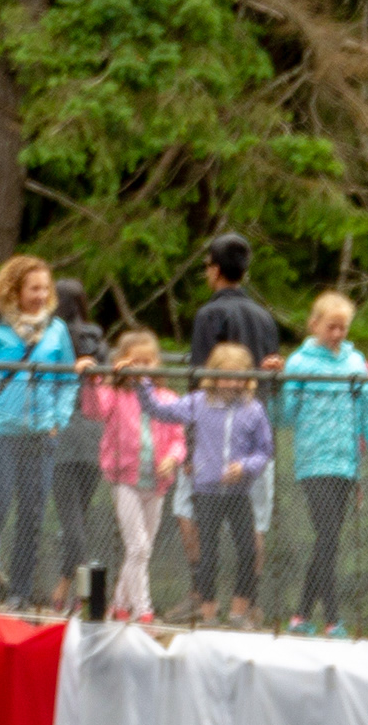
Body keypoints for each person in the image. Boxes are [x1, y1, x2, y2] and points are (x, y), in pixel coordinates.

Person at [276, 290, 368, 636]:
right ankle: (330, 619)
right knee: (327, 534)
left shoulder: (355, 363)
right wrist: (277, 386)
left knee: (327, 539)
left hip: (346, 463)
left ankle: (305, 617)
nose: (337, 334)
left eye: (343, 328)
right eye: (331, 327)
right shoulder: (300, 363)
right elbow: (284, 415)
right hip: (313, 461)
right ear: (314, 324)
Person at [0, 253, 76, 613]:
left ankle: (19, 595)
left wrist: (58, 418)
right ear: (15, 289)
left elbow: (68, 378)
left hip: (41, 433)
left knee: (32, 514)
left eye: (45, 288)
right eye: (33, 288)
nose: (41, 295)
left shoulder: (56, 330)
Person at [177, 233, 283, 614]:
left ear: (215, 269)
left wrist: (189, 446)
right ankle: (246, 605)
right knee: (253, 525)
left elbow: (200, 382)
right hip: (255, 434)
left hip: (212, 440)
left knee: (193, 516)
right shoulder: (264, 317)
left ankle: (203, 598)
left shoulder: (210, 315)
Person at [149, 342, 271, 627]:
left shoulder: (253, 409)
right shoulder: (197, 402)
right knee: (207, 553)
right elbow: (159, 409)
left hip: (238, 492)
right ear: (213, 375)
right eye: (225, 375)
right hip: (206, 491)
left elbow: (264, 451)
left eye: (238, 375)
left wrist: (245, 467)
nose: (232, 382)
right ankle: (208, 611)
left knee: (248, 550)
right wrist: (141, 381)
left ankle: (239, 610)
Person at [85, 324, 182, 620]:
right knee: (137, 544)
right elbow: (95, 410)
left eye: (148, 361)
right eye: (135, 361)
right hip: (124, 479)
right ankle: (144, 608)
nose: (142, 367)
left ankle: (119, 604)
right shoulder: (115, 394)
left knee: (143, 549)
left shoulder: (167, 398)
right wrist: (95, 380)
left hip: (157, 481)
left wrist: (173, 457)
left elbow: (179, 437)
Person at [50, 275, 104, 584]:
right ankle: (63, 590)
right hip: (95, 435)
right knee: (77, 518)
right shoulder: (101, 344)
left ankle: (87, 593)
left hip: (64, 433)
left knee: (70, 521)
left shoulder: (54, 340)